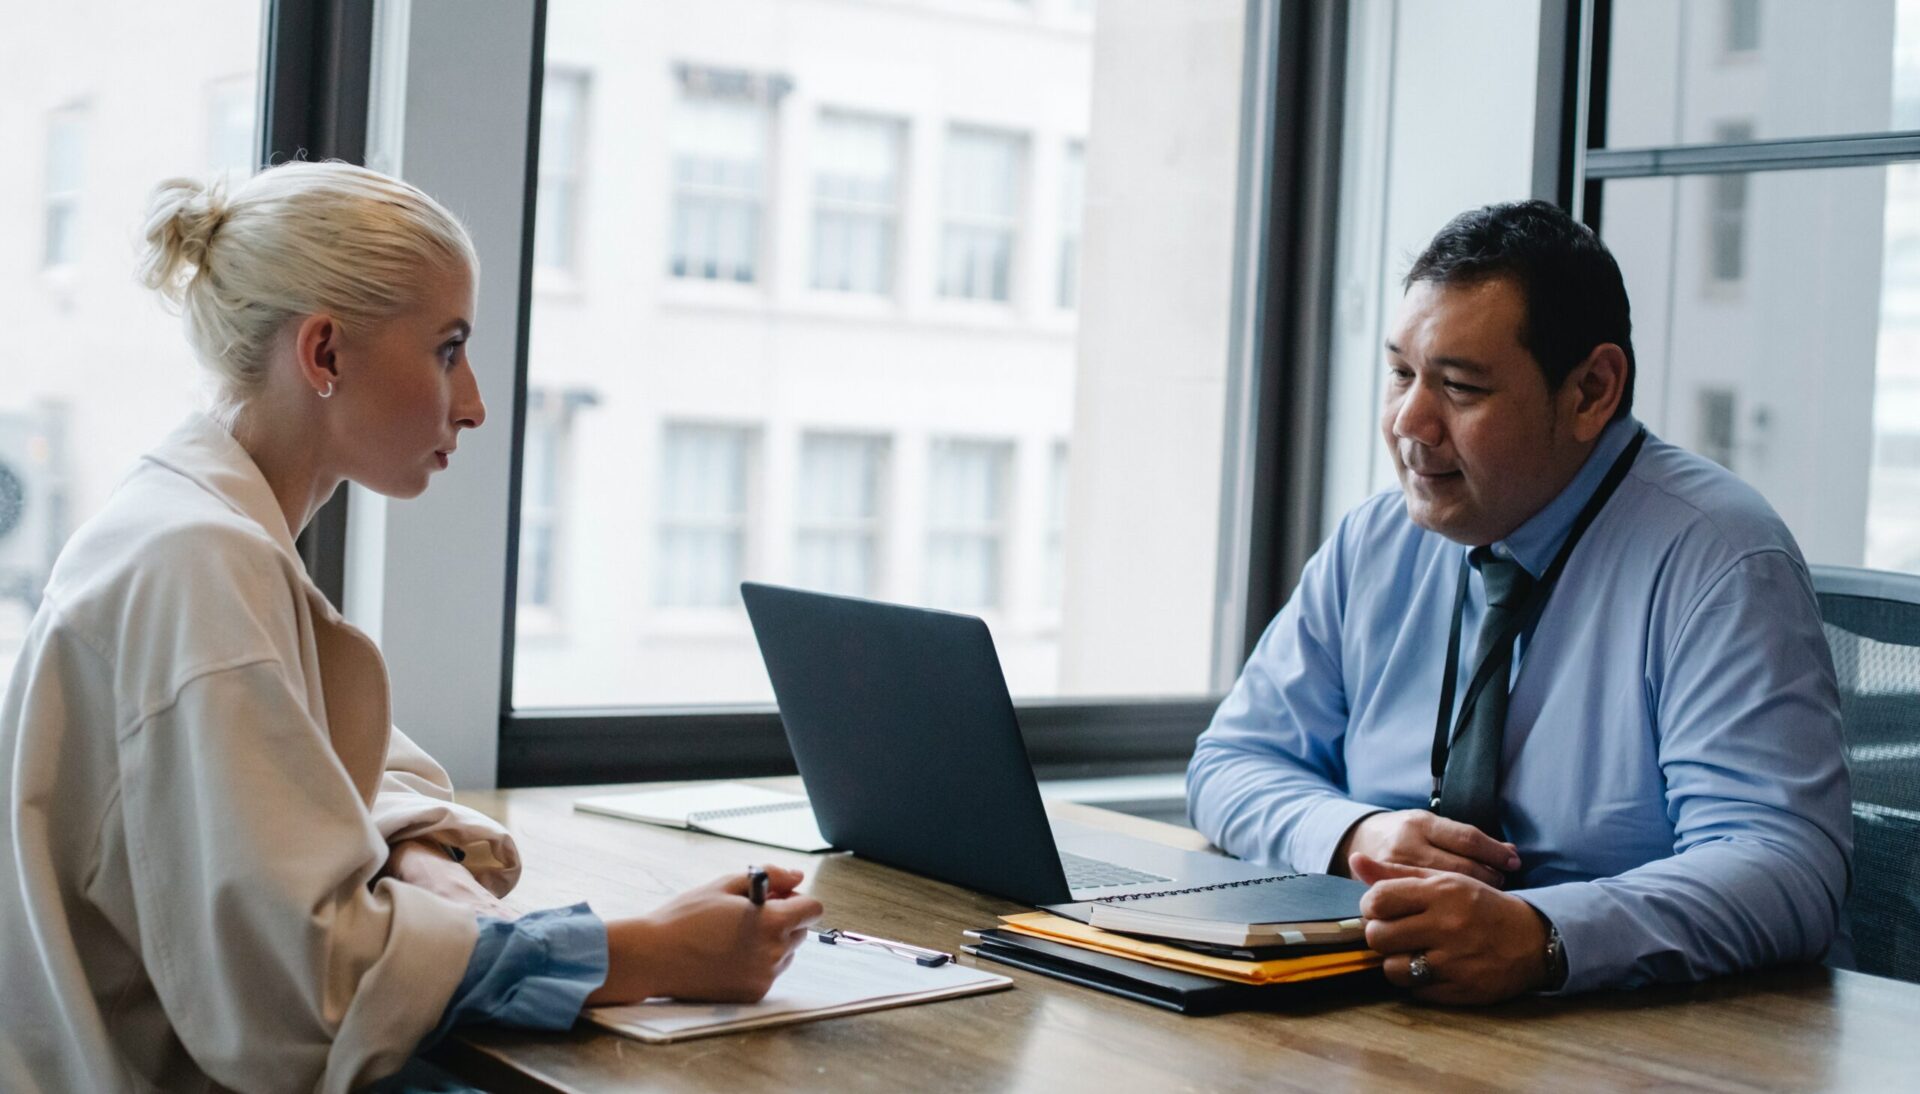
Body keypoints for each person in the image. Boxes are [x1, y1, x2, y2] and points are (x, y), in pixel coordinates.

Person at [0, 161, 823, 1092]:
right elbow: (313, 991)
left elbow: (314, 776)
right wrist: (651, 952)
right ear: (324, 354)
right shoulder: (198, 563)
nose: (471, 404)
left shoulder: (189, 526)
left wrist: (417, 851)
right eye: (448, 349)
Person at [1187, 199, 1852, 1005]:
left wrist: (1545, 935)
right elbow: (1231, 762)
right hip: (1384, 1012)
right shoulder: (1377, 540)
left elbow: (1784, 866)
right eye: (1400, 373)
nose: (1409, 423)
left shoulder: (1719, 558)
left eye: (1460, 389)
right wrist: (1355, 833)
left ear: (1591, 392)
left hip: (1626, 1038)